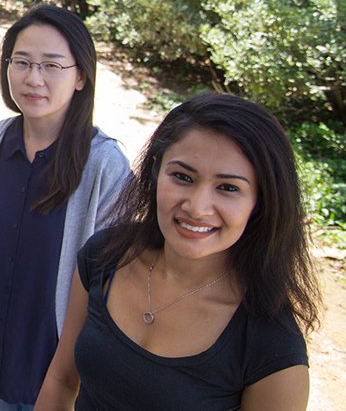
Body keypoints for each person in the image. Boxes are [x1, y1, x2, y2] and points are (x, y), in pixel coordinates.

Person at [35, 93, 320, 410]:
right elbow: (62, 380)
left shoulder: (271, 345)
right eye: (182, 177)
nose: (197, 208)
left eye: (228, 187)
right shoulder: (105, 255)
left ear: (262, 202)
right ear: (156, 173)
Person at [0, 4, 132, 409]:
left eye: (52, 65)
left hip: (56, 378)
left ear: (82, 75)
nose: (33, 78)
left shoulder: (105, 166)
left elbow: (112, 289)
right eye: (21, 62)